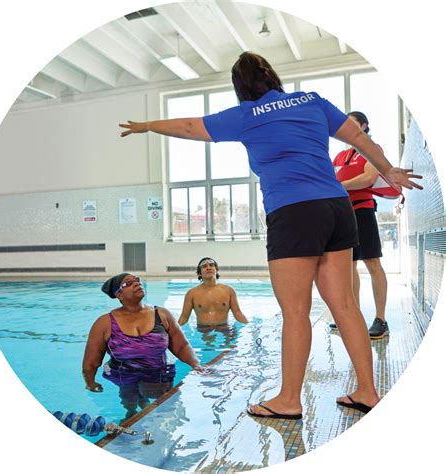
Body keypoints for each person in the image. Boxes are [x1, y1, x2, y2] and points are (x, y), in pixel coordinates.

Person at [118, 52, 422, 419]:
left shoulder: (246, 115)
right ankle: (367, 392)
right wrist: (388, 170)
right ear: (272, 76)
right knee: (344, 304)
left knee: (296, 311)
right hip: (337, 207)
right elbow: (357, 135)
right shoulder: (311, 101)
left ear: (240, 87)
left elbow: (187, 126)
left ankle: (289, 400)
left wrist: (149, 124)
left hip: (293, 212)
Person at [82, 272, 202, 419]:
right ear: (119, 294)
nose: (137, 283)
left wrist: (195, 364)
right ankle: (131, 411)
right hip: (124, 374)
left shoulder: (162, 315)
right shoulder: (104, 323)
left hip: (158, 373)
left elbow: (181, 346)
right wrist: (90, 382)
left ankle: (142, 404)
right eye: (129, 283)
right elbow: (91, 362)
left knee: (162, 409)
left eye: (137, 280)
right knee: (130, 400)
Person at [329, 111, 389, 339]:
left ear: (364, 126)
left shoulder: (372, 148)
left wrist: (340, 186)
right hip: (342, 213)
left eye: (352, 122)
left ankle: (381, 320)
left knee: (372, 262)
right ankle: (352, 317)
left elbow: (368, 178)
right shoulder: (339, 156)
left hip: (362, 210)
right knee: (349, 265)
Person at [178, 257, 249, 327]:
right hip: (203, 329)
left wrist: (248, 327)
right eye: (204, 266)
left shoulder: (229, 291)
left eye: (211, 265)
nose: (208, 268)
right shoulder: (192, 294)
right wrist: (173, 332)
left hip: (224, 328)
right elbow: (184, 317)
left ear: (216, 270)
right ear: (199, 273)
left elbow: (238, 313)